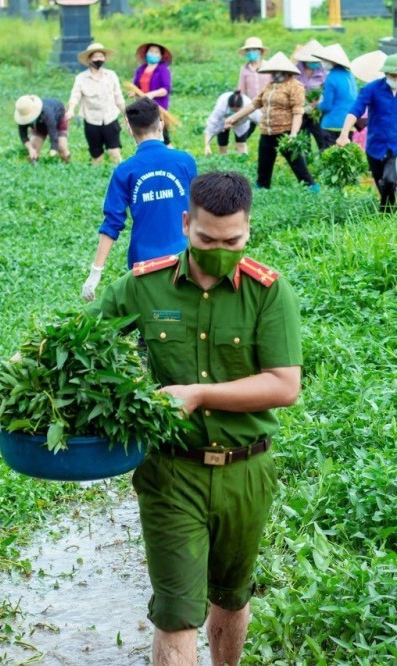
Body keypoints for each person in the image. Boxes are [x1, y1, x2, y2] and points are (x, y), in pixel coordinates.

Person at [91, 171, 302, 666]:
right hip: (171, 471)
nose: (220, 249)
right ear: (187, 223)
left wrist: (200, 393)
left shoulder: (268, 292)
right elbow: (84, 345)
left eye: (234, 240)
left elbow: (284, 385)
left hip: (247, 472)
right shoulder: (143, 286)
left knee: (231, 596)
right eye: (207, 238)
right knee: (177, 613)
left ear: (249, 230)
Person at [82, 98, 198, 301]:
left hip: (144, 263)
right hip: (185, 259)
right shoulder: (185, 161)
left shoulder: (125, 170)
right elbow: (200, 210)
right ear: (161, 124)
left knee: (150, 322)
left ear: (129, 129)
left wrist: (95, 273)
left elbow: (112, 223)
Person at [336, 53, 397, 212]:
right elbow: (355, 111)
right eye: (393, 76)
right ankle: (395, 212)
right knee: (382, 183)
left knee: (390, 180)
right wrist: (343, 134)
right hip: (375, 147)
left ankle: (387, 216)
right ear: (386, 73)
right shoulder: (371, 89)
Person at [224, 52, 318, 192]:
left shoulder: (295, 86)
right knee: (264, 163)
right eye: (272, 72)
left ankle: (311, 187)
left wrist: (293, 134)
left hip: (285, 132)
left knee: (297, 164)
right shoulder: (270, 86)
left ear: (284, 72)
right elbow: (254, 104)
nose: (273, 74)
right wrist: (234, 117)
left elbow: (298, 112)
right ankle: (263, 186)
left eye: (275, 71)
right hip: (267, 130)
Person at [67, 42, 127, 165]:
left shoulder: (111, 75)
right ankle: (97, 179)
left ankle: (122, 177)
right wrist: (71, 110)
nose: (99, 59)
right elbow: (75, 96)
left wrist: (127, 114)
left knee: (114, 153)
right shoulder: (81, 78)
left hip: (110, 118)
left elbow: (118, 97)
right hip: (91, 120)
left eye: (101, 56)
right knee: (96, 157)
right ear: (89, 59)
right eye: (95, 56)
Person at [314, 43, 357, 152]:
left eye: (324, 60)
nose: (322, 63)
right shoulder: (349, 75)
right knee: (345, 157)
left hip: (331, 124)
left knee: (329, 158)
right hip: (348, 124)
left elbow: (326, 106)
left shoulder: (331, 78)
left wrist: (316, 105)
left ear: (331, 61)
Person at [132, 42, 174, 147]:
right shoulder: (141, 69)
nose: (153, 54)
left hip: (158, 107)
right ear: (146, 53)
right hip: (143, 106)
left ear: (161, 56)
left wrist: (152, 94)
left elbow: (166, 89)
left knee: (162, 136)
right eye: (151, 51)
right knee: (146, 135)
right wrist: (134, 92)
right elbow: (137, 88)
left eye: (156, 52)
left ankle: (170, 154)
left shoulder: (163, 70)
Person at [14, 95, 71, 163]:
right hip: (39, 124)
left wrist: (53, 149)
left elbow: (53, 133)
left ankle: (66, 165)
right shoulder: (23, 114)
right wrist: (30, 149)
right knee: (34, 151)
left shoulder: (47, 113)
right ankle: (33, 168)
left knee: (62, 148)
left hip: (58, 118)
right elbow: (23, 135)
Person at [292, 39, 327, 150]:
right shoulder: (295, 71)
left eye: (317, 61)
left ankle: (322, 162)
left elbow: (325, 90)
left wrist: (316, 103)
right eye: (312, 61)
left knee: (322, 138)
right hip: (300, 112)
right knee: (303, 140)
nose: (316, 63)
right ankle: (306, 163)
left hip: (317, 112)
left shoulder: (323, 72)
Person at [203, 90, 260, 156]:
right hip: (223, 121)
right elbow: (210, 126)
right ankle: (223, 159)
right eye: (232, 110)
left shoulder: (248, 105)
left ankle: (241, 160)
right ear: (228, 106)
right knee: (222, 144)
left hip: (242, 123)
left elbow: (261, 121)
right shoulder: (221, 106)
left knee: (241, 144)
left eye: (237, 111)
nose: (234, 113)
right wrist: (207, 145)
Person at [236, 37, 272, 101]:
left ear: (261, 51)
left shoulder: (269, 66)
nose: (251, 52)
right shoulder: (244, 69)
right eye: (248, 50)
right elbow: (241, 89)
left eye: (254, 49)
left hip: (268, 103)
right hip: (252, 105)